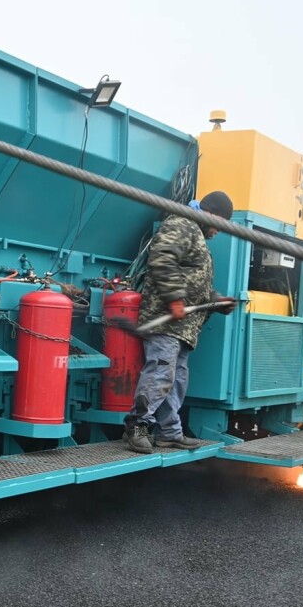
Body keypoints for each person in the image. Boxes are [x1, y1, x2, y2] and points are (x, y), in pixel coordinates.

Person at [122, 191, 237, 453]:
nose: (219, 232)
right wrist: (174, 299)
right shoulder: (182, 223)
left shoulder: (193, 231)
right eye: (220, 224)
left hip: (182, 328)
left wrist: (217, 301)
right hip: (165, 324)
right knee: (160, 375)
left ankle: (169, 433)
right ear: (210, 214)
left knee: (175, 379)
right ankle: (136, 428)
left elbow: (192, 284)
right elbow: (162, 259)